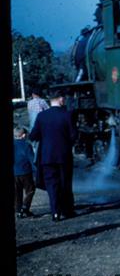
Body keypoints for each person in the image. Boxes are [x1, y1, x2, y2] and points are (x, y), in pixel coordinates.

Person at [29, 92, 77, 221]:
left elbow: (33, 136)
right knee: (65, 183)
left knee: (52, 184)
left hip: (47, 156)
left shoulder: (41, 116)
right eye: (64, 98)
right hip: (64, 156)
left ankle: (55, 212)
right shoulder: (67, 115)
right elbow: (74, 135)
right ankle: (67, 210)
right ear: (60, 99)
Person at [14, 127, 36, 218]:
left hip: (14, 172)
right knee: (30, 190)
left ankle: (18, 211)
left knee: (17, 192)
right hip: (25, 172)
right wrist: (36, 172)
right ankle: (25, 207)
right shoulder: (27, 145)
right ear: (23, 135)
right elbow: (32, 160)